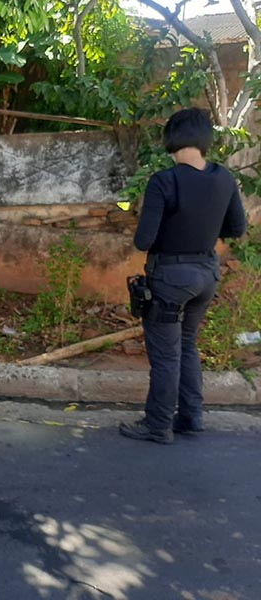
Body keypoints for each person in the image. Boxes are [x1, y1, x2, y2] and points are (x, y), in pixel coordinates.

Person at [119, 108, 246, 444]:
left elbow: (143, 240)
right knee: (187, 344)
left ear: (171, 140)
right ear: (205, 140)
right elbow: (237, 228)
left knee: (166, 355)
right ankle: (191, 417)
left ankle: (158, 424)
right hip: (207, 273)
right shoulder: (224, 179)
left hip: (170, 279)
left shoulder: (165, 181)